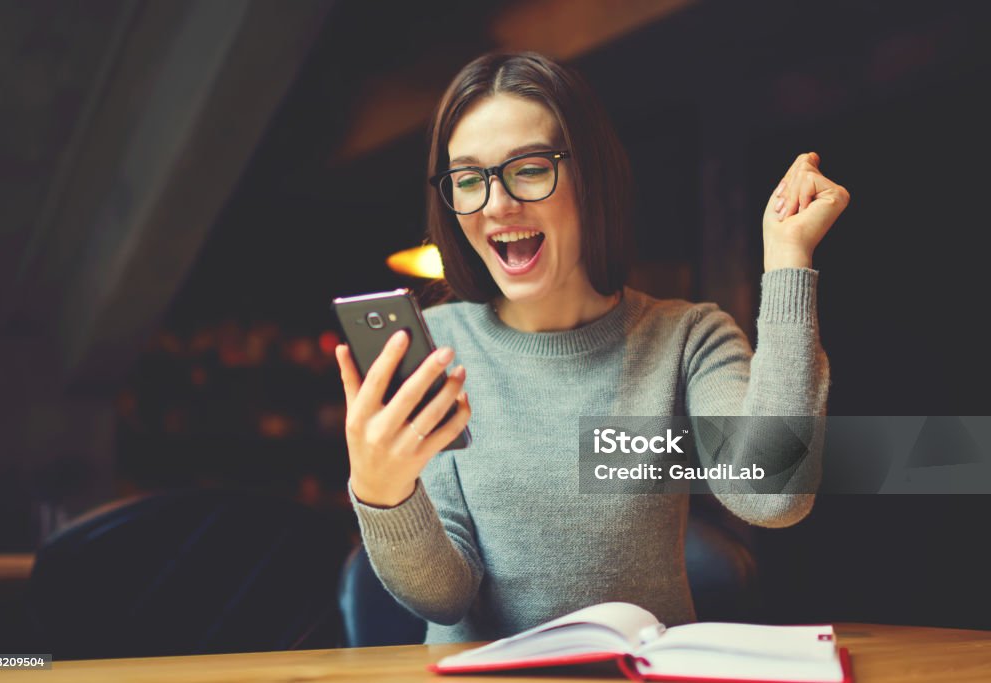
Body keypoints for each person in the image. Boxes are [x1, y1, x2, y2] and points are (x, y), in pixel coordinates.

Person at [334, 52, 849, 643]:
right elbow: (444, 598)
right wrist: (382, 491)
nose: (497, 204)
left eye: (528, 168)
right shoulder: (438, 345)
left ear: (590, 176)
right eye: (469, 180)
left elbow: (774, 494)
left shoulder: (686, 339)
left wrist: (787, 262)